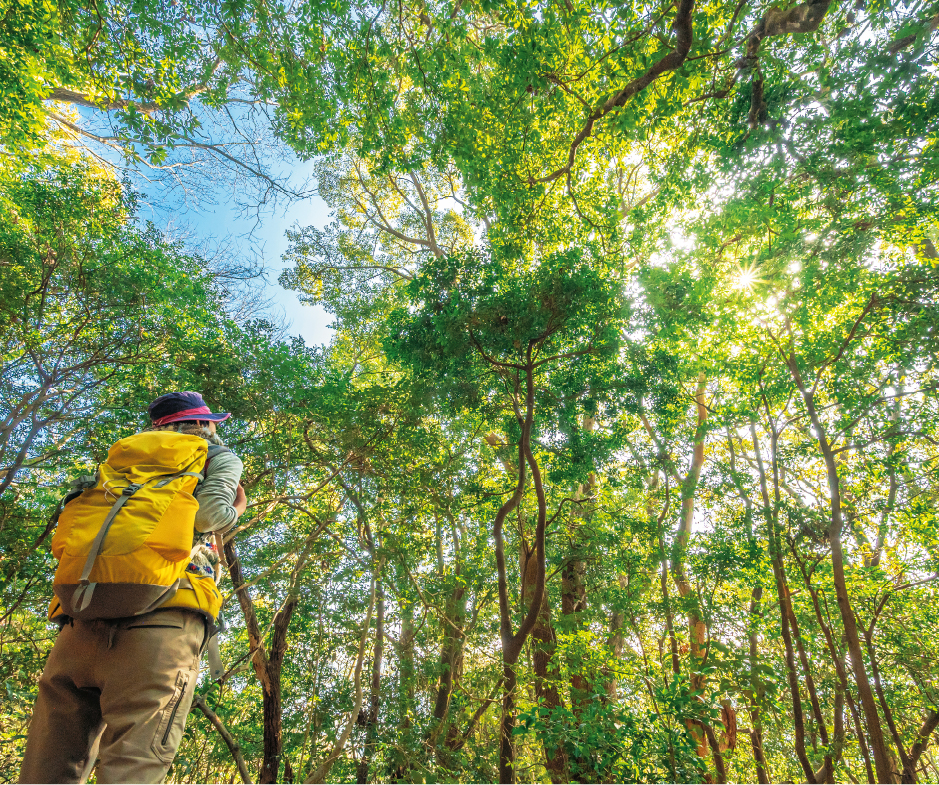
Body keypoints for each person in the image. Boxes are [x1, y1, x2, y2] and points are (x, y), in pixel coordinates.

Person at [19, 392, 245, 784]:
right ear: (203, 424)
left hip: (80, 620)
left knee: (47, 771)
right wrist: (237, 509)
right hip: (161, 622)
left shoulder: (123, 460)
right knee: (133, 768)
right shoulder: (213, 455)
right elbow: (211, 515)